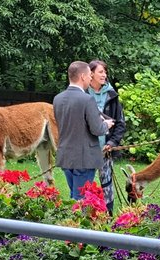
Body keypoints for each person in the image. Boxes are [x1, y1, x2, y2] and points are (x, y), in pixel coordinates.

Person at [53, 61, 114, 200]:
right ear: (82, 76)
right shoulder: (87, 99)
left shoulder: (57, 99)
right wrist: (106, 125)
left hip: (65, 156)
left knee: (74, 195)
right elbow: (97, 129)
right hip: (84, 158)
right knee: (80, 200)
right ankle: (74, 222)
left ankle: (69, 221)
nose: (90, 79)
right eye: (88, 76)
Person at [88, 60, 126, 216]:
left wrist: (112, 142)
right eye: (100, 72)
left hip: (105, 149)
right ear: (90, 74)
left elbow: (120, 123)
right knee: (86, 184)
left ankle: (108, 215)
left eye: (105, 72)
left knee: (107, 183)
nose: (104, 75)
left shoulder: (112, 95)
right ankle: (87, 214)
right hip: (87, 149)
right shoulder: (82, 94)